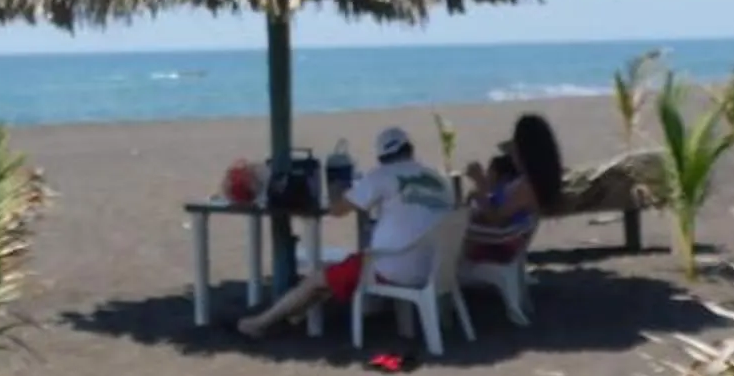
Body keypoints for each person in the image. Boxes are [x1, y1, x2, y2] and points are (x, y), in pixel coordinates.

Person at [237, 125, 452, 337]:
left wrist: (339, 190)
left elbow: (338, 210)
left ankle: (260, 323)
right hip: (438, 266)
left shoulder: (382, 175)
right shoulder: (438, 179)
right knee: (340, 271)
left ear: (382, 158)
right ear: (410, 149)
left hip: (393, 267)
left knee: (317, 279)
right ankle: (293, 317)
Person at [463, 113, 566, 262]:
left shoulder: (526, 187)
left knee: (448, 239)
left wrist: (480, 185)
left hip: (498, 246)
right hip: (504, 240)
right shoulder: (530, 181)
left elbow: (496, 220)